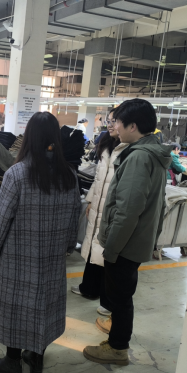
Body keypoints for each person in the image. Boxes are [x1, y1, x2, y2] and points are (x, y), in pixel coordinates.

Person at [0, 112, 82, 373]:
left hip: (18, 256)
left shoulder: (17, 173)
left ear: (29, 137)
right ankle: (36, 358)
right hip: (52, 257)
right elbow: (75, 215)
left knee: (15, 307)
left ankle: (12, 362)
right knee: (44, 306)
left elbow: (1, 218)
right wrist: (67, 247)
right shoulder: (69, 175)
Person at [83, 99, 171, 366]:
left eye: (118, 122)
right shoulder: (151, 153)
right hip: (135, 241)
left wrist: (111, 248)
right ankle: (117, 338)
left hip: (124, 244)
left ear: (133, 126)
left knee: (120, 298)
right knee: (122, 295)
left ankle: (117, 348)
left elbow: (127, 210)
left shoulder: (139, 157)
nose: (115, 127)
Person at [71, 109, 127, 318]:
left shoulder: (129, 151)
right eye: (108, 121)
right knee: (93, 249)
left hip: (112, 208)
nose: (110, 125)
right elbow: (98, 178)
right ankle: (89, 288)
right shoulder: (107, 145)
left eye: (115, 121)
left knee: (107, 254)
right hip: (99, 205)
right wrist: (90, 200)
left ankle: (108, 300)